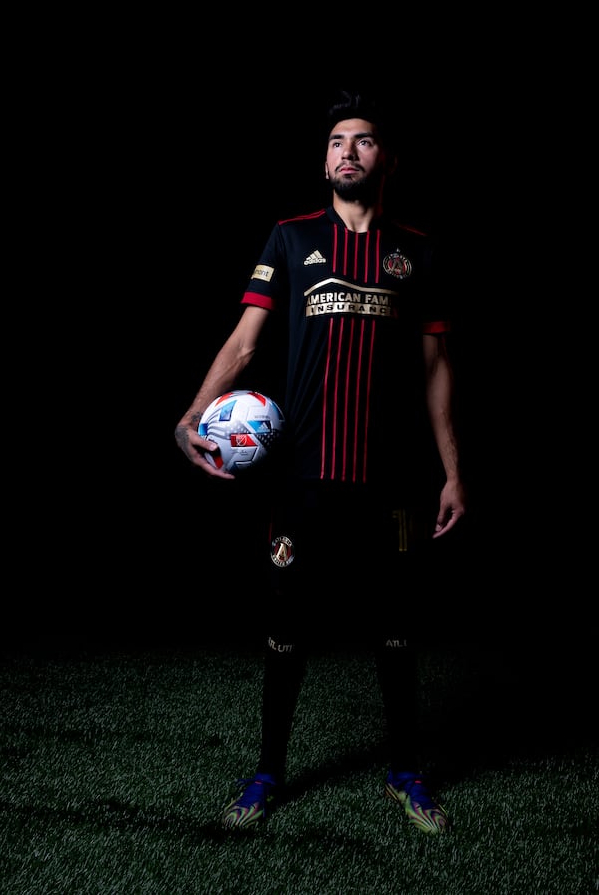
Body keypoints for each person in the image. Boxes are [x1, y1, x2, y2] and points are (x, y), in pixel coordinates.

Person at [174, 88, 467, 835]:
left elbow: (436, 367)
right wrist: (187, 418)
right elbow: (244, 345)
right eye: (337, 141)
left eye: (363, 141)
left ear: (387, 159)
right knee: (288, 626)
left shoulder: (419, 251)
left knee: (396, 629)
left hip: (392, 477)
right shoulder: (289, 237)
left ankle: (407, 776)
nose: (348, 151)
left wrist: (453, 470)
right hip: (302, 476)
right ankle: (267, 773)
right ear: (324, 158)